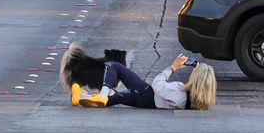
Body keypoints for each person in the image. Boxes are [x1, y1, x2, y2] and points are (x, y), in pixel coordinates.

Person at [76, 52, 217, 110]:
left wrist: (172, 67)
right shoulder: (200, 102)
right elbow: (201, 83)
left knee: (115, 66)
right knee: (117, 98)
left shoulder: (179, 93)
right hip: (150, 104)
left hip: (146, 94)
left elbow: (157, 84)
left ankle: (102, 95)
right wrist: (199, 69)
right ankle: (80, 97)